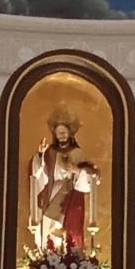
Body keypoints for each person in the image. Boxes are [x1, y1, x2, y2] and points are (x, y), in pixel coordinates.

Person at [29, 106, 98, 253]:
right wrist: (41, 155)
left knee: (70, 231)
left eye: (64, 132)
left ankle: (70, 257)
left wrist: (76, 170)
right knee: (50, 228)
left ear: (70, 134)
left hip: (72, 195)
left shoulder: (78, 153)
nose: (61, 136)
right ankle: (49, 255)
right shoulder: (50, 152)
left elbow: (91, 176)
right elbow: (37, 173)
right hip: (52, 193)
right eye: (58, 133)